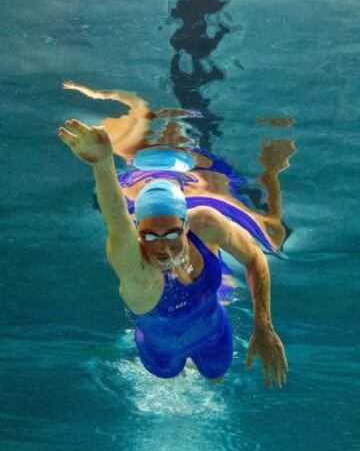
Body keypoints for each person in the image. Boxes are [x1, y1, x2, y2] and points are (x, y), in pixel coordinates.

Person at [58, 113, 288, 389]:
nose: (162, 247)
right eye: (150, 236)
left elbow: (254, 257)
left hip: (214, 335)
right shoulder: (135, 266)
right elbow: (117, 219)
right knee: (168, 379)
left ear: (186, 224)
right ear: (138, 233)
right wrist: (103, 164)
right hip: (162, 355)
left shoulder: (206, 223)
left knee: (216, 376)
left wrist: (264, 324)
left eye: (171, 234)